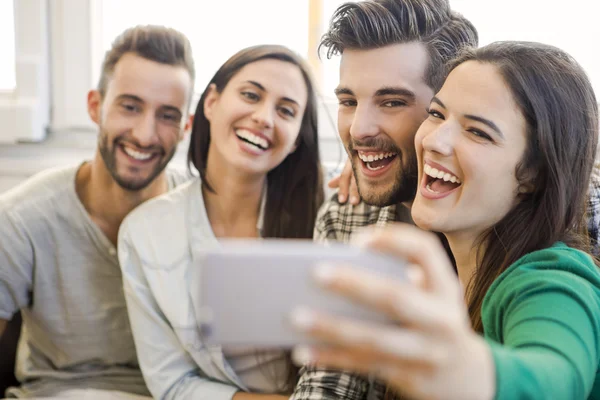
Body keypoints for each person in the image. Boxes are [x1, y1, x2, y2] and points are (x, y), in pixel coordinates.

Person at [292, 40, 600, 400]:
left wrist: (470, 374)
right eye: (437, 115)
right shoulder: (443, 269)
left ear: (533, 174)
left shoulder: (552, 278)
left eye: (478, 132)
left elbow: (555, 375)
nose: (434, 140)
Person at [291, 1, 478, 398]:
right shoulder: (346, 214)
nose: (359, 129)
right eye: (348, 101)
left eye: (392, 102)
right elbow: (329, 380)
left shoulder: (559, 213)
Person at [117, 44, 324, 400]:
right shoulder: (144, 233)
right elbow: (171, 382)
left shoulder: (327, 214)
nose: (264, 117)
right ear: (211, 103)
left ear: (294, 143)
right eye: (250, 95)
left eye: (286, 111)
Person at [0, 25, 195, 398]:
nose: (144, 134)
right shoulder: (21, 220)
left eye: (167, 115)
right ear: (95, 106)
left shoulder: (202, 211)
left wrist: (345, 176)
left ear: (186, 126)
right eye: (130, 106)